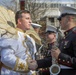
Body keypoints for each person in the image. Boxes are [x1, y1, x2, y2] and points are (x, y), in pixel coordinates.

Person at [29, 6, 76, 75]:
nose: (59, 21)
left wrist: (60, 56)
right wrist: (37, 63)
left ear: (69, 19)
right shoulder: (67, 36)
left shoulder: (74, 35)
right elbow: (54, 58)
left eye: (61, 19)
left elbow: (59, 56)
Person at [0, 10, 37, 75]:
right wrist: (26, 65)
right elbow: (6, 57)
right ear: (19, 21)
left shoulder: (30, 38)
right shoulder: (11, 35)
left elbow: (32, 57)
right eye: (27, 18)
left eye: (30, 19)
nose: (30, 21)